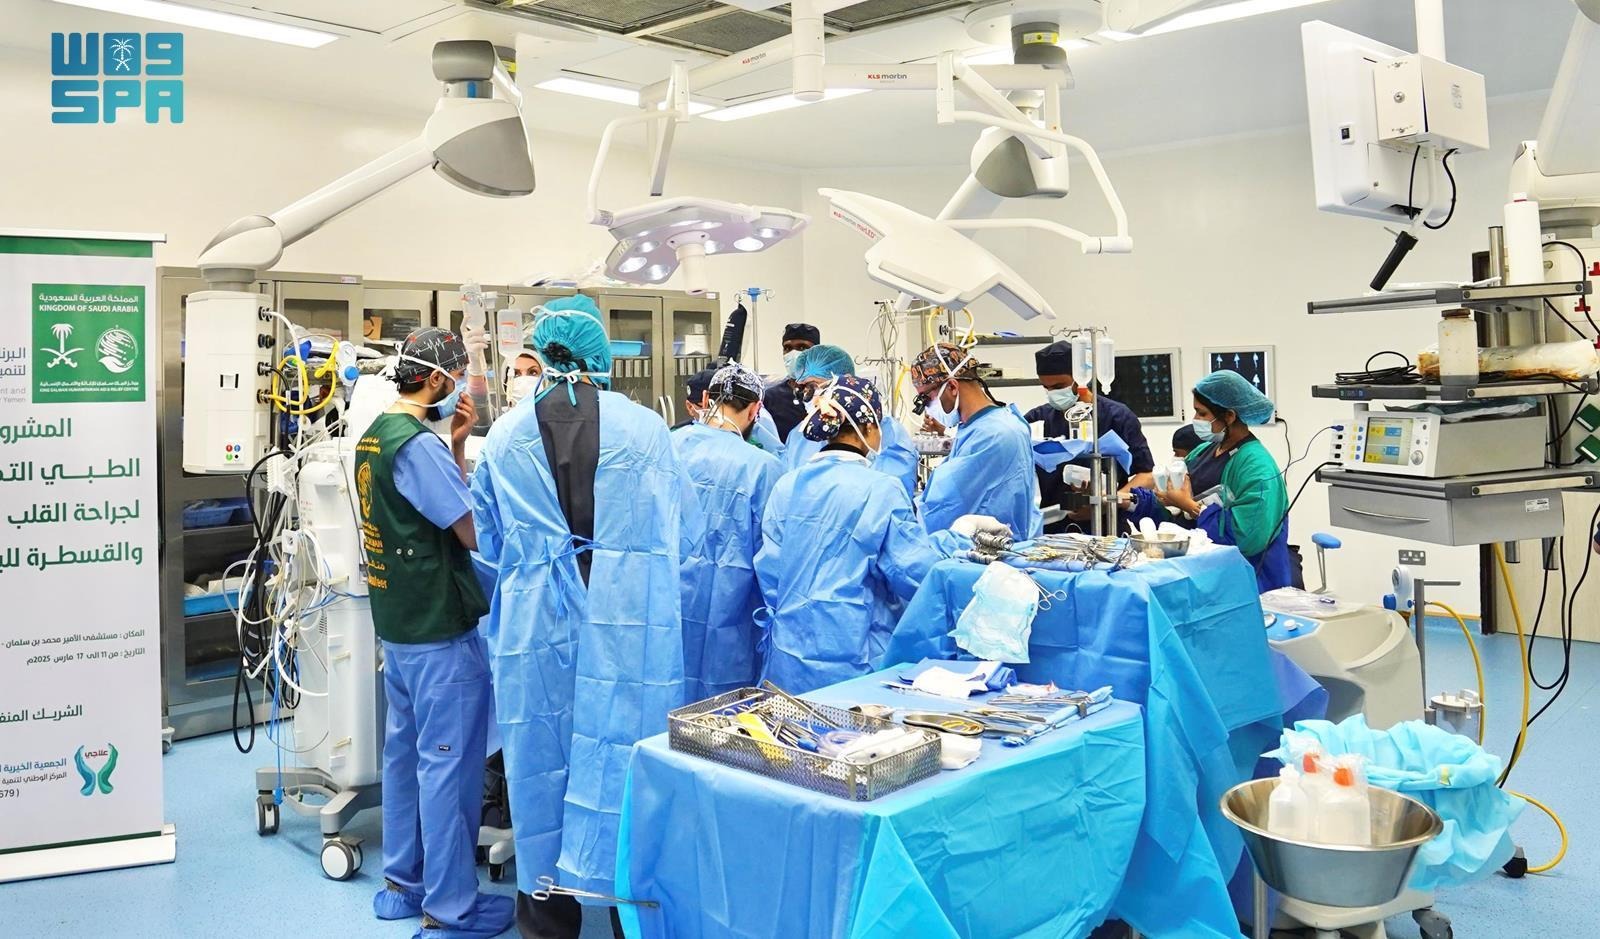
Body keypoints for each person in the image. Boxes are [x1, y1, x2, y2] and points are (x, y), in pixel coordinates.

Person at [470, 304, 689, 939]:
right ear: (601, 355)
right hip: (627, 619)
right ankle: (628, 918)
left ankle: (547, 922)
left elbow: (487, 544)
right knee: (625, 761)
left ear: (543, 354)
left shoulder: (505, 435)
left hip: (537, 622)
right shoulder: (646, 430)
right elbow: (673, 529)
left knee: (539, 761)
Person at [356, 328, 512, 939]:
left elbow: (418, 507)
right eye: (458, 376)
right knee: (449, 769)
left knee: (404, 757)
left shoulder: (377, 435)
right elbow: (468, 530)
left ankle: (402, 885)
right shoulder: (416, 446)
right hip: (438, 632)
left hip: (398, 627)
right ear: (440, 378)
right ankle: (450, 912)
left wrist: (458, 443)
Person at [755, 375, 959, 693]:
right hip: (853, 656)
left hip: (790, 654)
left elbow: (770, 574)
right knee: (851, 726)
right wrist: (954, 546)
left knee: (793, 723)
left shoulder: (788, 484)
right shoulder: (881, 489)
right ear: (868, 427)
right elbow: (912, 573)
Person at [674, 363, 783, 701]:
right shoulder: (763, 467)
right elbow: (775, 557)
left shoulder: (668, 446)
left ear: (707, 398)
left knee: (668, 694)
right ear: (755, 410)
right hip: (731, 610)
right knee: (722, 710)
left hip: (668, 604)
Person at [1128, 370, 1291, 591]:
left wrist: (1192, 507)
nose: (1196, 420)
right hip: (1204, 576)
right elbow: (1174, 515)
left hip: (1248, 582)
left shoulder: (1256, 467)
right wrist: (1132, 501)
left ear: (1229, 416)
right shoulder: (1204, 451)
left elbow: (1249, 538)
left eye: (1202, 413)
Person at [913, 343, 1044, 540]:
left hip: (992, 551)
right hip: (982, 548)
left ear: (952, 386)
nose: (927, 407)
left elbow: (943, 507)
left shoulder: (996, 434)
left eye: (926, 398)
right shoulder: (976, 427)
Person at [1024, 340, 1154, 533]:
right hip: (1053, 529)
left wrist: (1107, 502)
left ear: (1080, 378)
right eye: (1047, 388)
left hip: (1108, 527)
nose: (1052, 394)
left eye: (1059, 386)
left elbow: (1147, 476)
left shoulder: (1117, 416)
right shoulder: (1037, 418)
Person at [779, 344, 919, 497]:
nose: (811, 397)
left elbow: (893, 495)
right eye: (803, 389)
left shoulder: (884, 431)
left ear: (845, 383)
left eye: (814, 386)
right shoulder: (799, 436)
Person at [761, 322, 819, 441]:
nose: (793, 354)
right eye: (787, 348)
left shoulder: (829, 394)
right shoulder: (771, 397)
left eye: (802, 348)